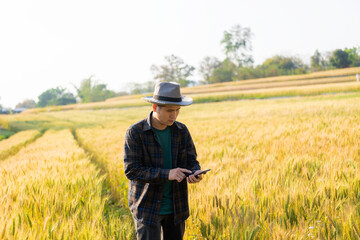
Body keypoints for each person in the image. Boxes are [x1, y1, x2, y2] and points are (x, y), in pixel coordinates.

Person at [124, 82, 204, 240]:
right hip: (147, 208)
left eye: (177, 110)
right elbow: (132, 170)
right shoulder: (135, 132)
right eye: (169, 111)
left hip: (176, 207)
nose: (174, 115)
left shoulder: (181, 131)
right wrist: (167, 174)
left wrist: (196, 172)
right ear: (155, 107)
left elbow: (191, 161)